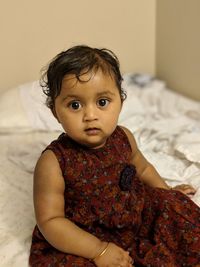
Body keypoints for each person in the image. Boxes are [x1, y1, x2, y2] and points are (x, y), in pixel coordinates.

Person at [29, 45, 200, 267]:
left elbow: (144, 168)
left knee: (175, 207)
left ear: (120, 102)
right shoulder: (53, 162)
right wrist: (98, 251)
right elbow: (50, 221)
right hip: (85, 237)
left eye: (102, 102)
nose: (90, 115)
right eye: (75, 105)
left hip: (135, 216)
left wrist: (165, 192)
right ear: (55, 112)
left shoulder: (123, 137)